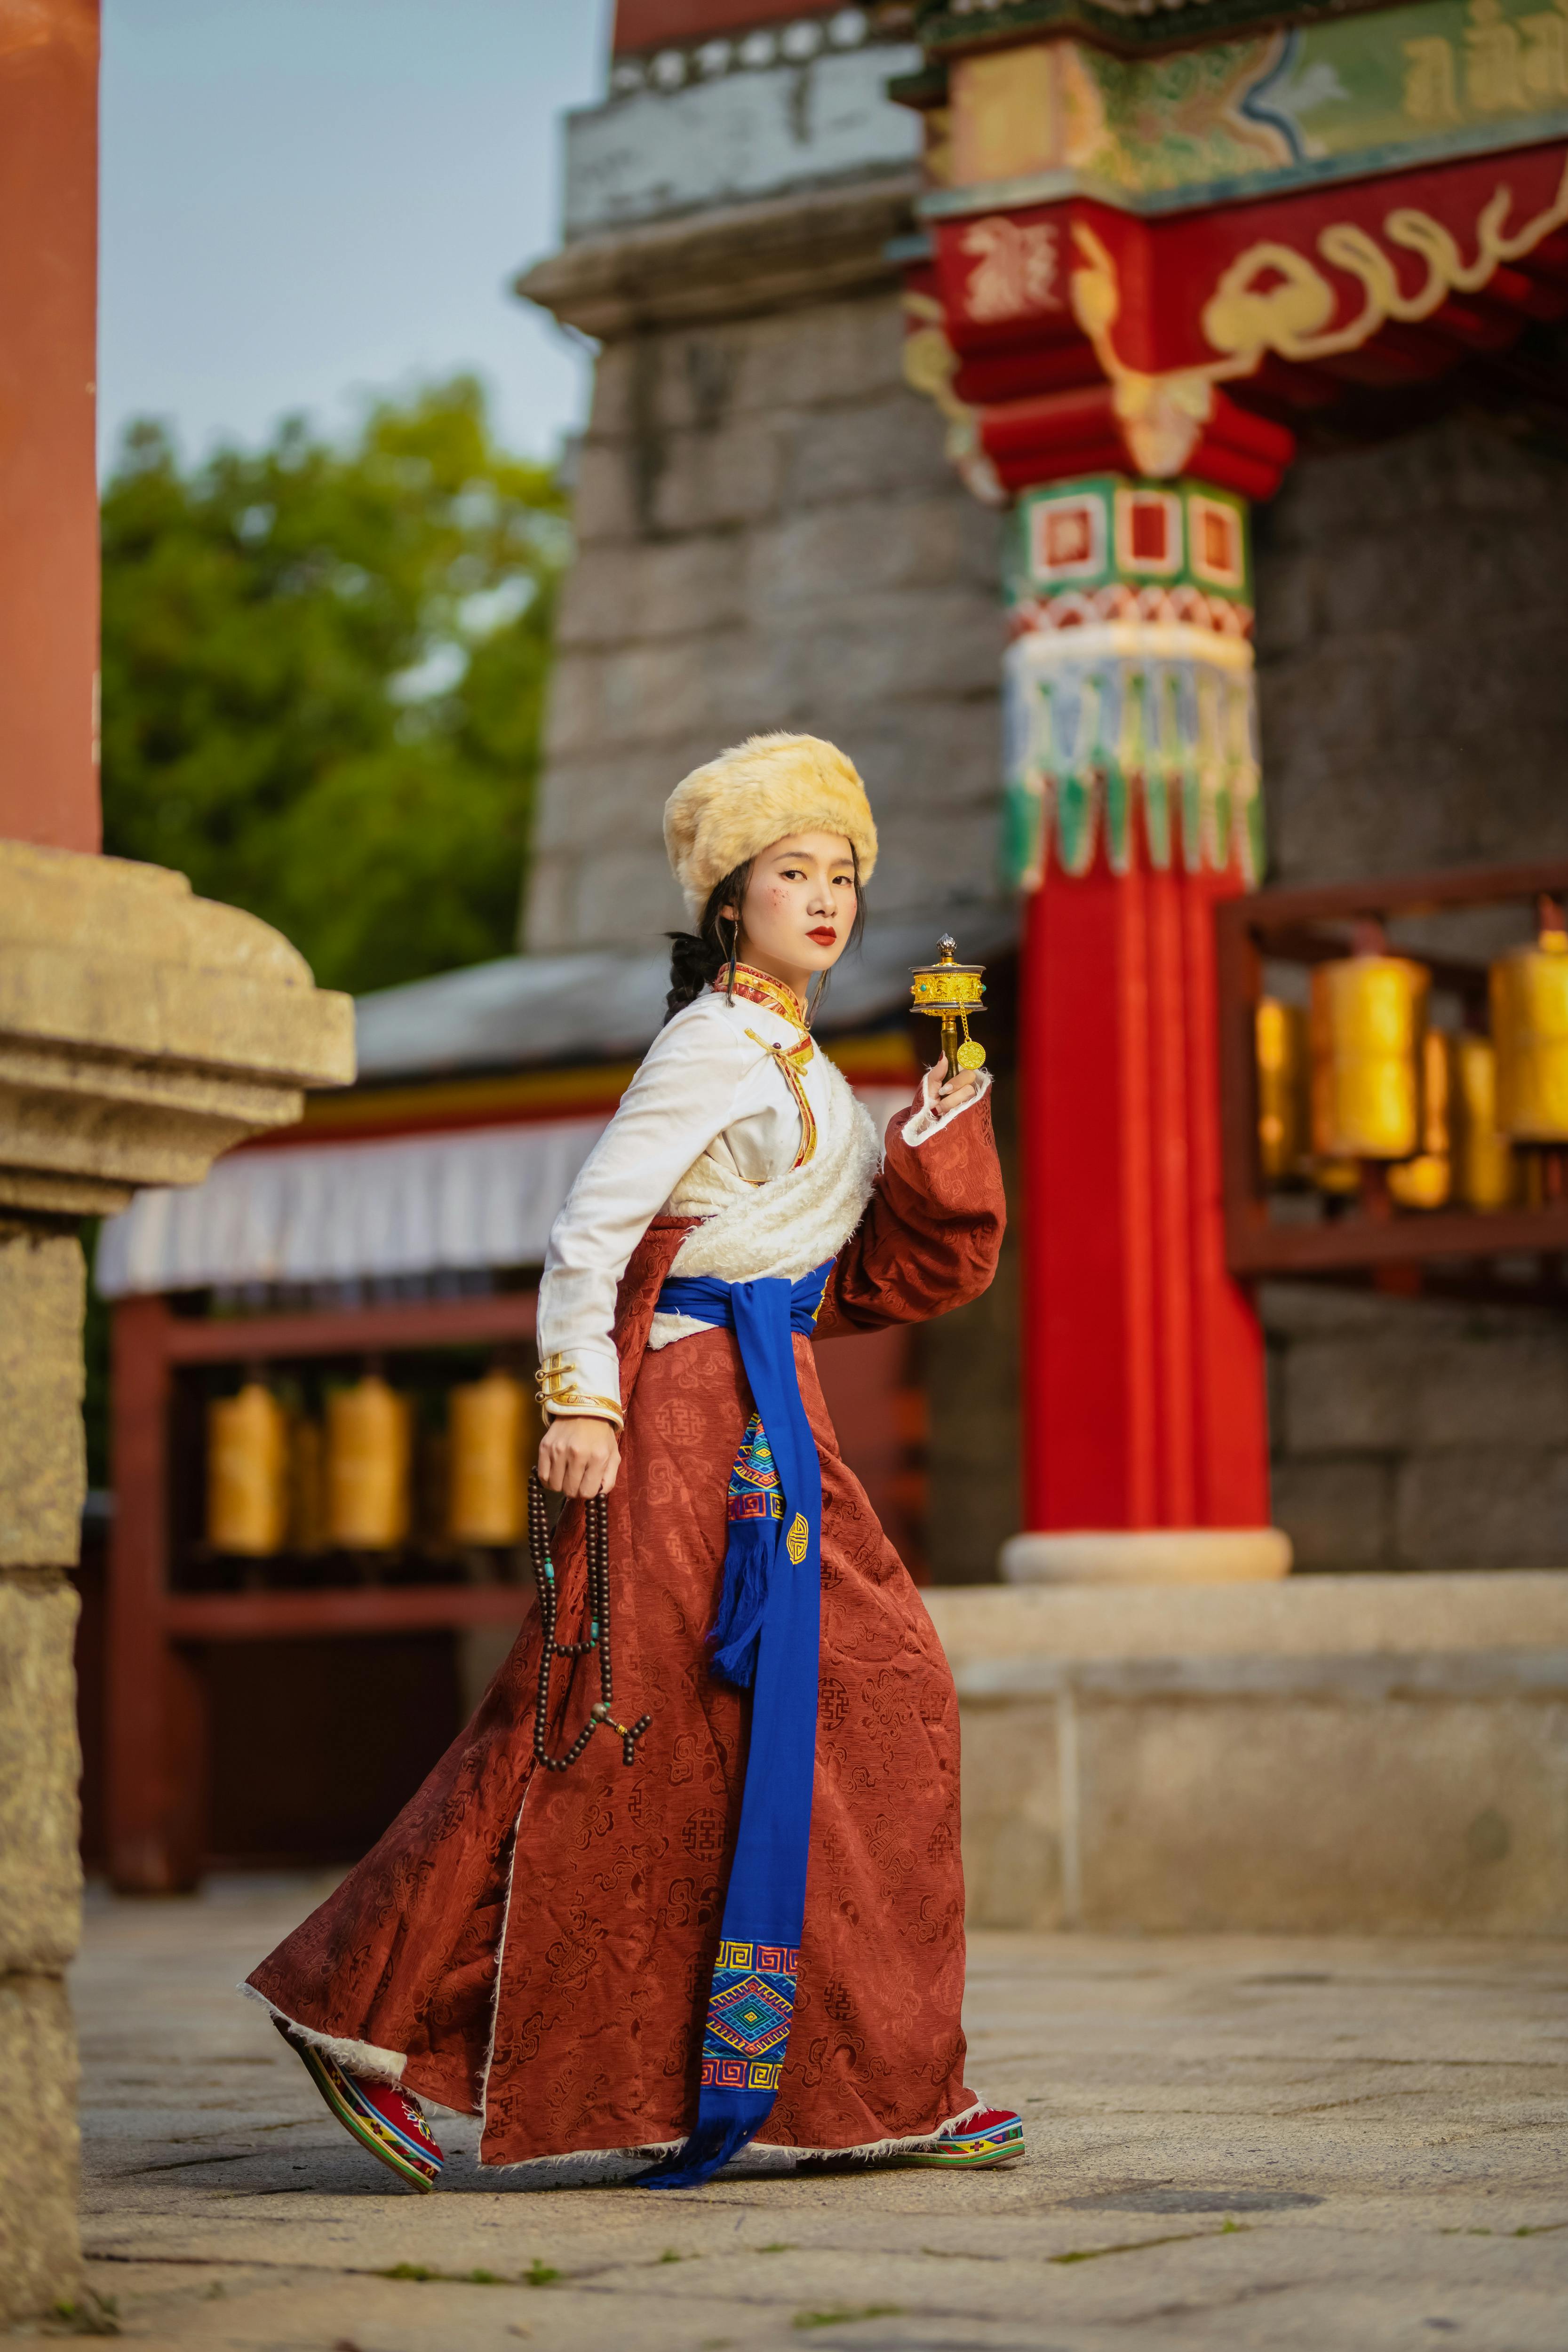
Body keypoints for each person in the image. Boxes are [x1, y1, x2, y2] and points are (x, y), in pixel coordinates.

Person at [244, 732, 1021, 2191]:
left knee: (860, 1700)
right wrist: (580, 1402)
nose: (827, 896)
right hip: (681, 1426)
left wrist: (931, 1133)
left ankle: (857, 2085)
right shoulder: (710, 1047)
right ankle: (360, 2011)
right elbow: (592, 1234)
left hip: (775, 1417)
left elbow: (853, 1273)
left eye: (844, 874)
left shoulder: (793, 1054)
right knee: (614, 1715)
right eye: (795, 871)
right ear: (732, 899)